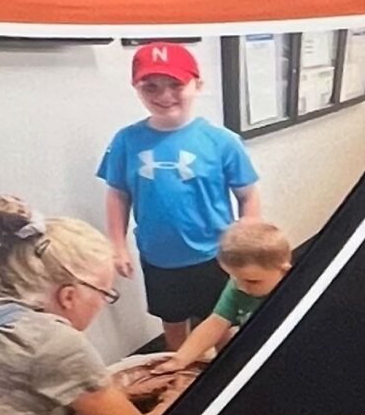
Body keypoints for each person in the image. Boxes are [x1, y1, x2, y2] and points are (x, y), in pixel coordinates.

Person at [98, 42, 261, 351]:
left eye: (175, 84)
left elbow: (248, 194)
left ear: (197, 84)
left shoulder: (222, 141)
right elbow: (118, 194)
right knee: (172, 322)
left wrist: (246, 240)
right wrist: (117, 245)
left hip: (215, 256)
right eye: (151, 87)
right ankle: (181, 379)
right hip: (158, 257)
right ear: (137, 89)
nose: (164, 95)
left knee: (221, 324)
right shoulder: (125, 141)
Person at [0, 197, 151, 415]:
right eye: (106, 293)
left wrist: (121, 391)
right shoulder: (51, 341)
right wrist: (179, 398)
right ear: (68, 296)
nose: (104, 303)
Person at [160, 218, 292, 373]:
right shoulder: (237, 288)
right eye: (234, 277)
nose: (241, 287)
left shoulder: (296, 290)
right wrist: (179, 360)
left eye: (252, 281)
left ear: (284, 271)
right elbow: (216, 323)